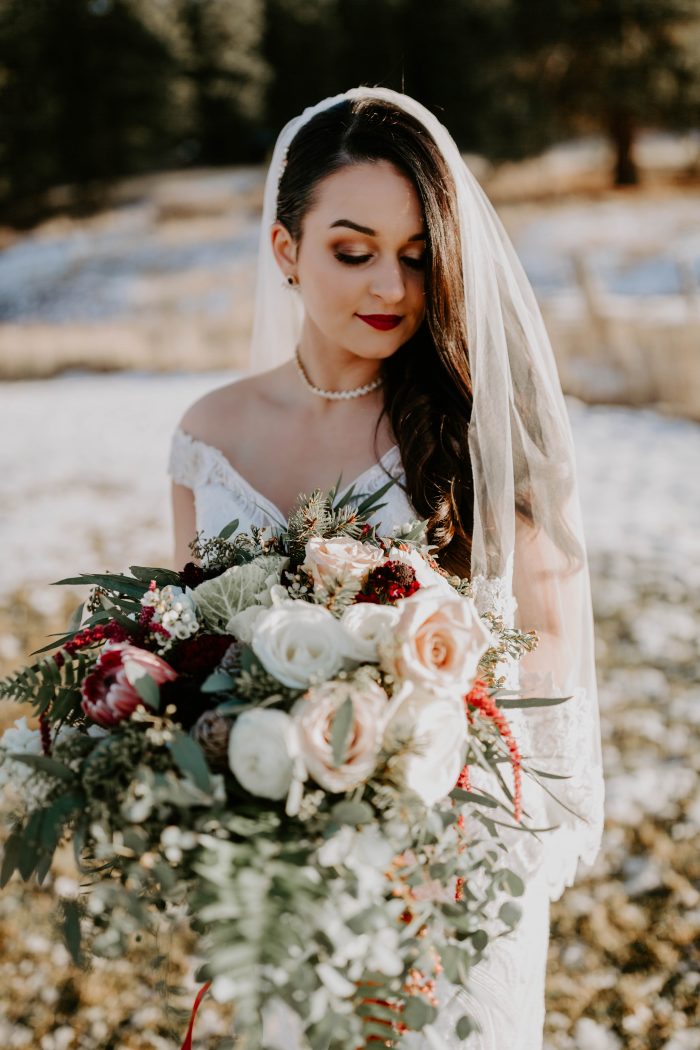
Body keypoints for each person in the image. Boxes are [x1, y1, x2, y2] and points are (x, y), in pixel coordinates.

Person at [167, 86, 605, 1049]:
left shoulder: (478, 429)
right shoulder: (210, 436)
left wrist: (415, 769)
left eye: (416, 257)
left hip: (446, 874)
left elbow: (550, 665)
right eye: (353, 251)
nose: (392, 290)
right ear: (286, 250)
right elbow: (192, 660)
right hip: (281, 874)